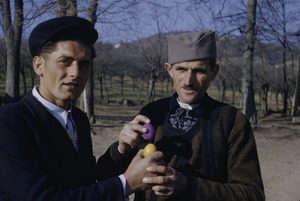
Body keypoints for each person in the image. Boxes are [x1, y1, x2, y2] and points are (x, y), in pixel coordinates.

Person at [0, 16, 164, 201]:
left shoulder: (78, 118)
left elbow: (86, 182)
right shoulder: (10, 122)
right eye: (65, 61)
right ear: (39, 65)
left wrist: (121, 150)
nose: (76, 73)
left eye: (84, 64)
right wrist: (127, 184)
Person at [98, 30, 265, 201]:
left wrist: (190, 187)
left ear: (213, 71)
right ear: (169, 70)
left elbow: (253, 195)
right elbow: (103, 176)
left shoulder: (232, 122)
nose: (188, 81)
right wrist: (121, 150)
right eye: (181, 69)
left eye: (198, 70)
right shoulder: (151, 113)